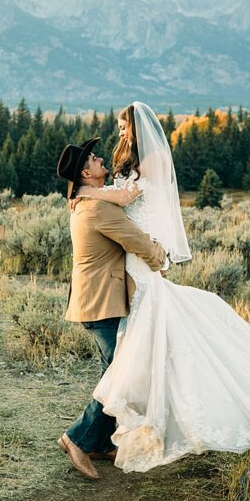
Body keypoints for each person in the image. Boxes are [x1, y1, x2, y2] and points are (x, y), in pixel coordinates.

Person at [73, 103, 250, 473]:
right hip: (132, 267)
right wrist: (90, 192)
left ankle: (94, 437)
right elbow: (119, 197)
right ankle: (103, 436)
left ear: (139, 128)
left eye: (125, 128)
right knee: (134, 359)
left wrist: (83, 190)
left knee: (135, 358)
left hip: (140, 264)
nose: (121, 134)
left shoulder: (154, 160)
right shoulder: (127, 168)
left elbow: (125, 199)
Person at [55, 138, 168, 479]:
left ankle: (101, 442)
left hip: (97, 299)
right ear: (86, 174)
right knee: (118, 376)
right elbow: (134, 239)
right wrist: (161, 256)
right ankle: (76, 438)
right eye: (93, 158)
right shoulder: (97, 208)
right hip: (101, 302)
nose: (100, 158)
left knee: (113, 372)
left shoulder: (88, 200)